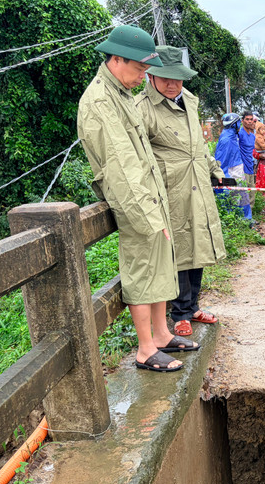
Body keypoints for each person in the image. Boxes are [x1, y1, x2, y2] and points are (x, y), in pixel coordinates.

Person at [77, 25, 190, 373]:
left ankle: (160, 334)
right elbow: (121, 167)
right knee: (142, 270)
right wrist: (149, 215)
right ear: (116, 59)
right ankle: (145, 348)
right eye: (140, 68)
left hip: (150, 196)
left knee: (160, 268)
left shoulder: (121, 93)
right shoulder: (99, 102)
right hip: (134, 201)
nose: (144, 75)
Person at [137, 45, 225, 341]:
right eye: (165, 77)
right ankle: (180, 314)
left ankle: (194, 305)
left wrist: (213, 166)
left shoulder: (189, 100)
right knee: (177, 252)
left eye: (178, 78)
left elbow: (197, 143)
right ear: (151, 76)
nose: (172, 84)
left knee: (198, 245)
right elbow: (139, 155)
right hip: (169, 188)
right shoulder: (142, 108)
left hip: (196, 183)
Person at [214, 112, 251, 218]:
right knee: (239, 196)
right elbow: (222, 160)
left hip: (236, 168)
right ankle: (243, 219)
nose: (240, 124)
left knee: (241, 195)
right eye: (238, 122)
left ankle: (245, 218)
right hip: (232, 171)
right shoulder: (228, 139)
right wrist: (223, 175)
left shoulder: (232, 135)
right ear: (233, 124)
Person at [238, 111, 258, 215]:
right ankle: (245, 218)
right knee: (244, 194)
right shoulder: (240, 134)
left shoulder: (253, 135)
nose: (250, 121)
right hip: (243, 168)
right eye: (247, 119)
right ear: (242, 121)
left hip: (251, 167)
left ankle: (250, 216)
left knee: (252, 193)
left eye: (251, 119)